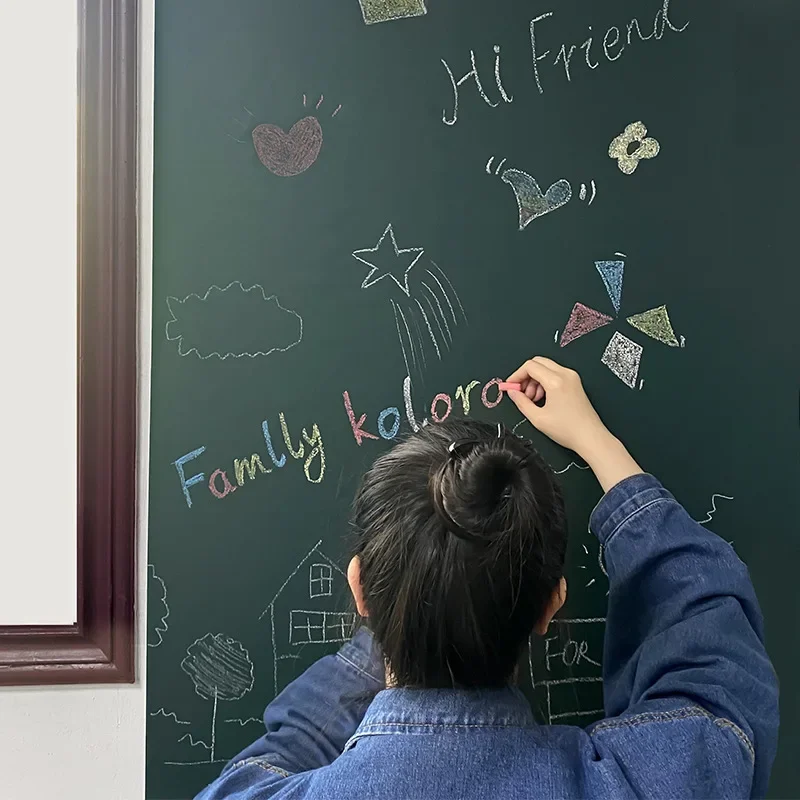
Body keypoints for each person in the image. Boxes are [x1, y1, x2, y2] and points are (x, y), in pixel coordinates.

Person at [196, 357, 779, 800]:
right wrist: (601, 446)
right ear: (552, 604)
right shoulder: (642, 783)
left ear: (358, 590)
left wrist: (407, 597)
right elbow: (713, 662)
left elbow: (277, 755)